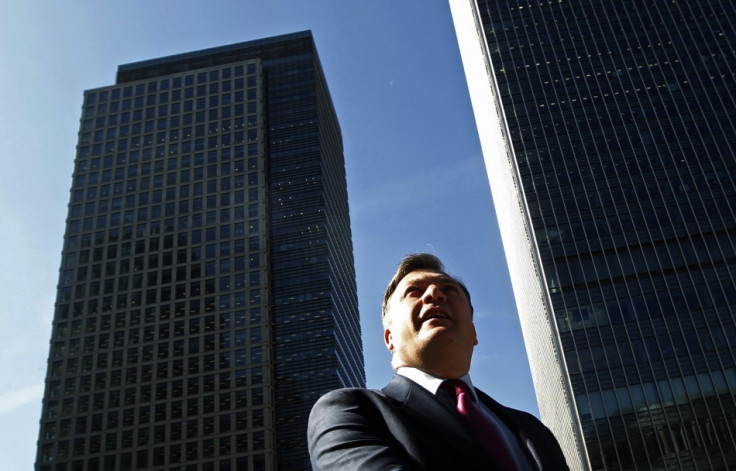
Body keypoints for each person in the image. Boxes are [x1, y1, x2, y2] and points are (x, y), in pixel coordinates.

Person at [307, 253, 569, 470]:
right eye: (414, 291)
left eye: (449, 289)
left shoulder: (534, 431)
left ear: (474, 333)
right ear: (389, 338)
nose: (434, 293)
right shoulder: (349, 412)